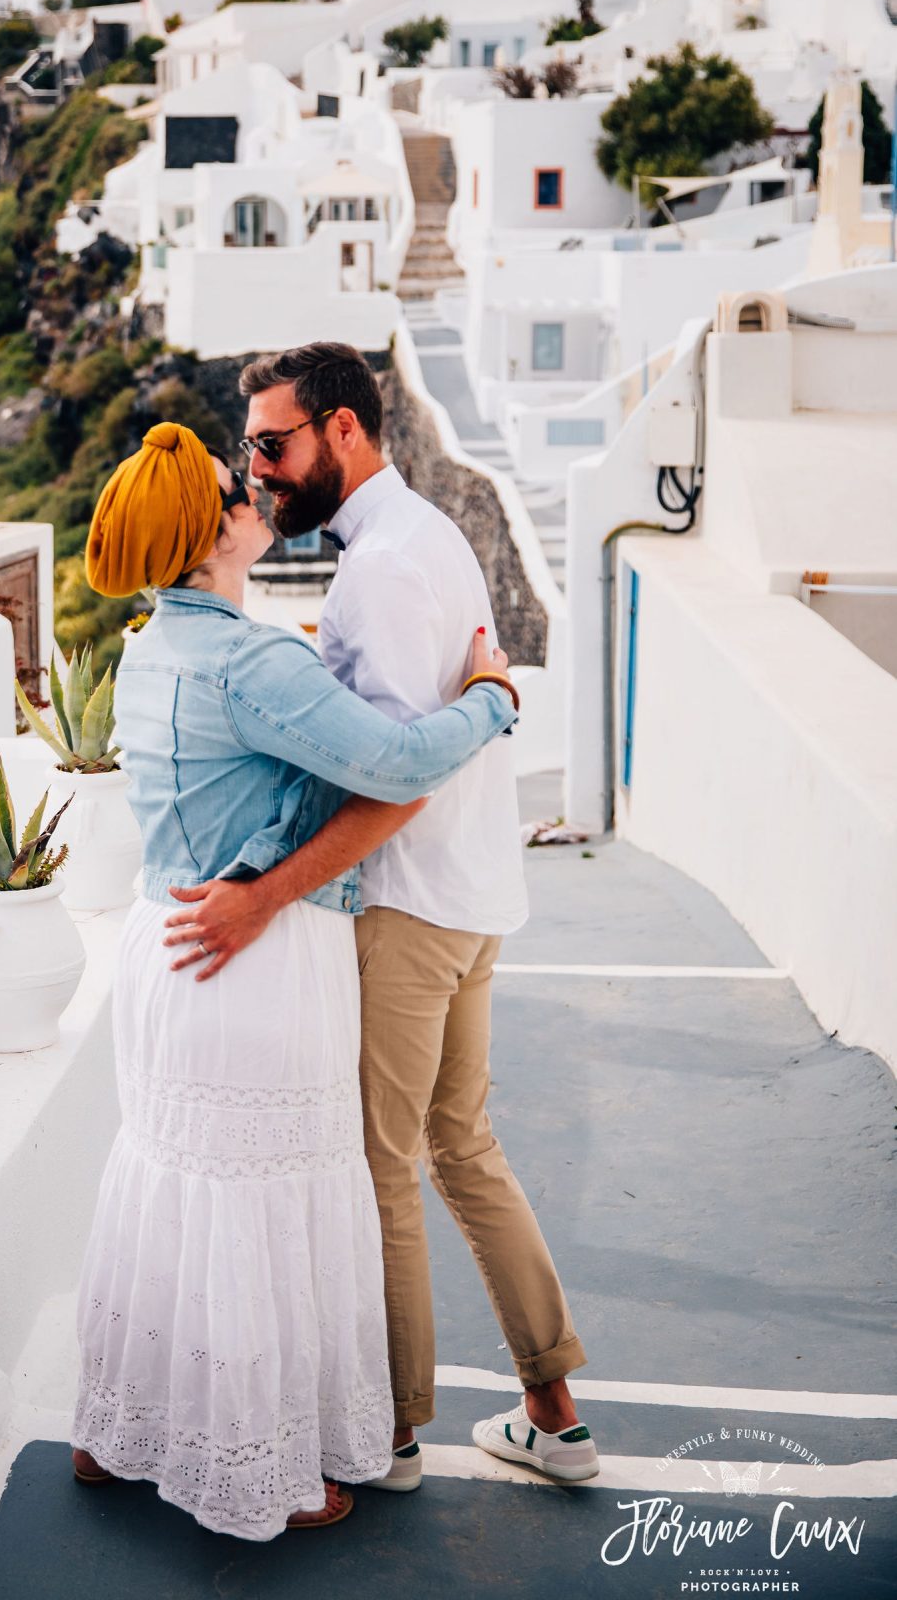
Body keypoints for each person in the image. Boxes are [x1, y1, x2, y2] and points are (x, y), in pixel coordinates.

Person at [71, 420, 520, 1540]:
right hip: (258, 970)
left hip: (167, 950)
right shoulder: (251, 658)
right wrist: (492, 694)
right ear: (206, 528)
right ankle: (260, 1473)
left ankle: (112, 1431)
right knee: (262, 1204)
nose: (252, 493)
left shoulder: (148, 647)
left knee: (172, 1187)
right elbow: (402, 762)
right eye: (234, 488)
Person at [163, 344, 600, 1490]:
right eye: (251, 446)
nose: (259, 469)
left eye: (273, 441)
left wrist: (263, 894)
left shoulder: (377, 573)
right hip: (472, 899)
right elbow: (411, 724)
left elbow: (396, 780)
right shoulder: (427, 535)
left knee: (380, 1168)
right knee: (465, 1148)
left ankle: (393, 1432)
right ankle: (553, 1412)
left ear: (343, 429)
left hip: (407, 911)